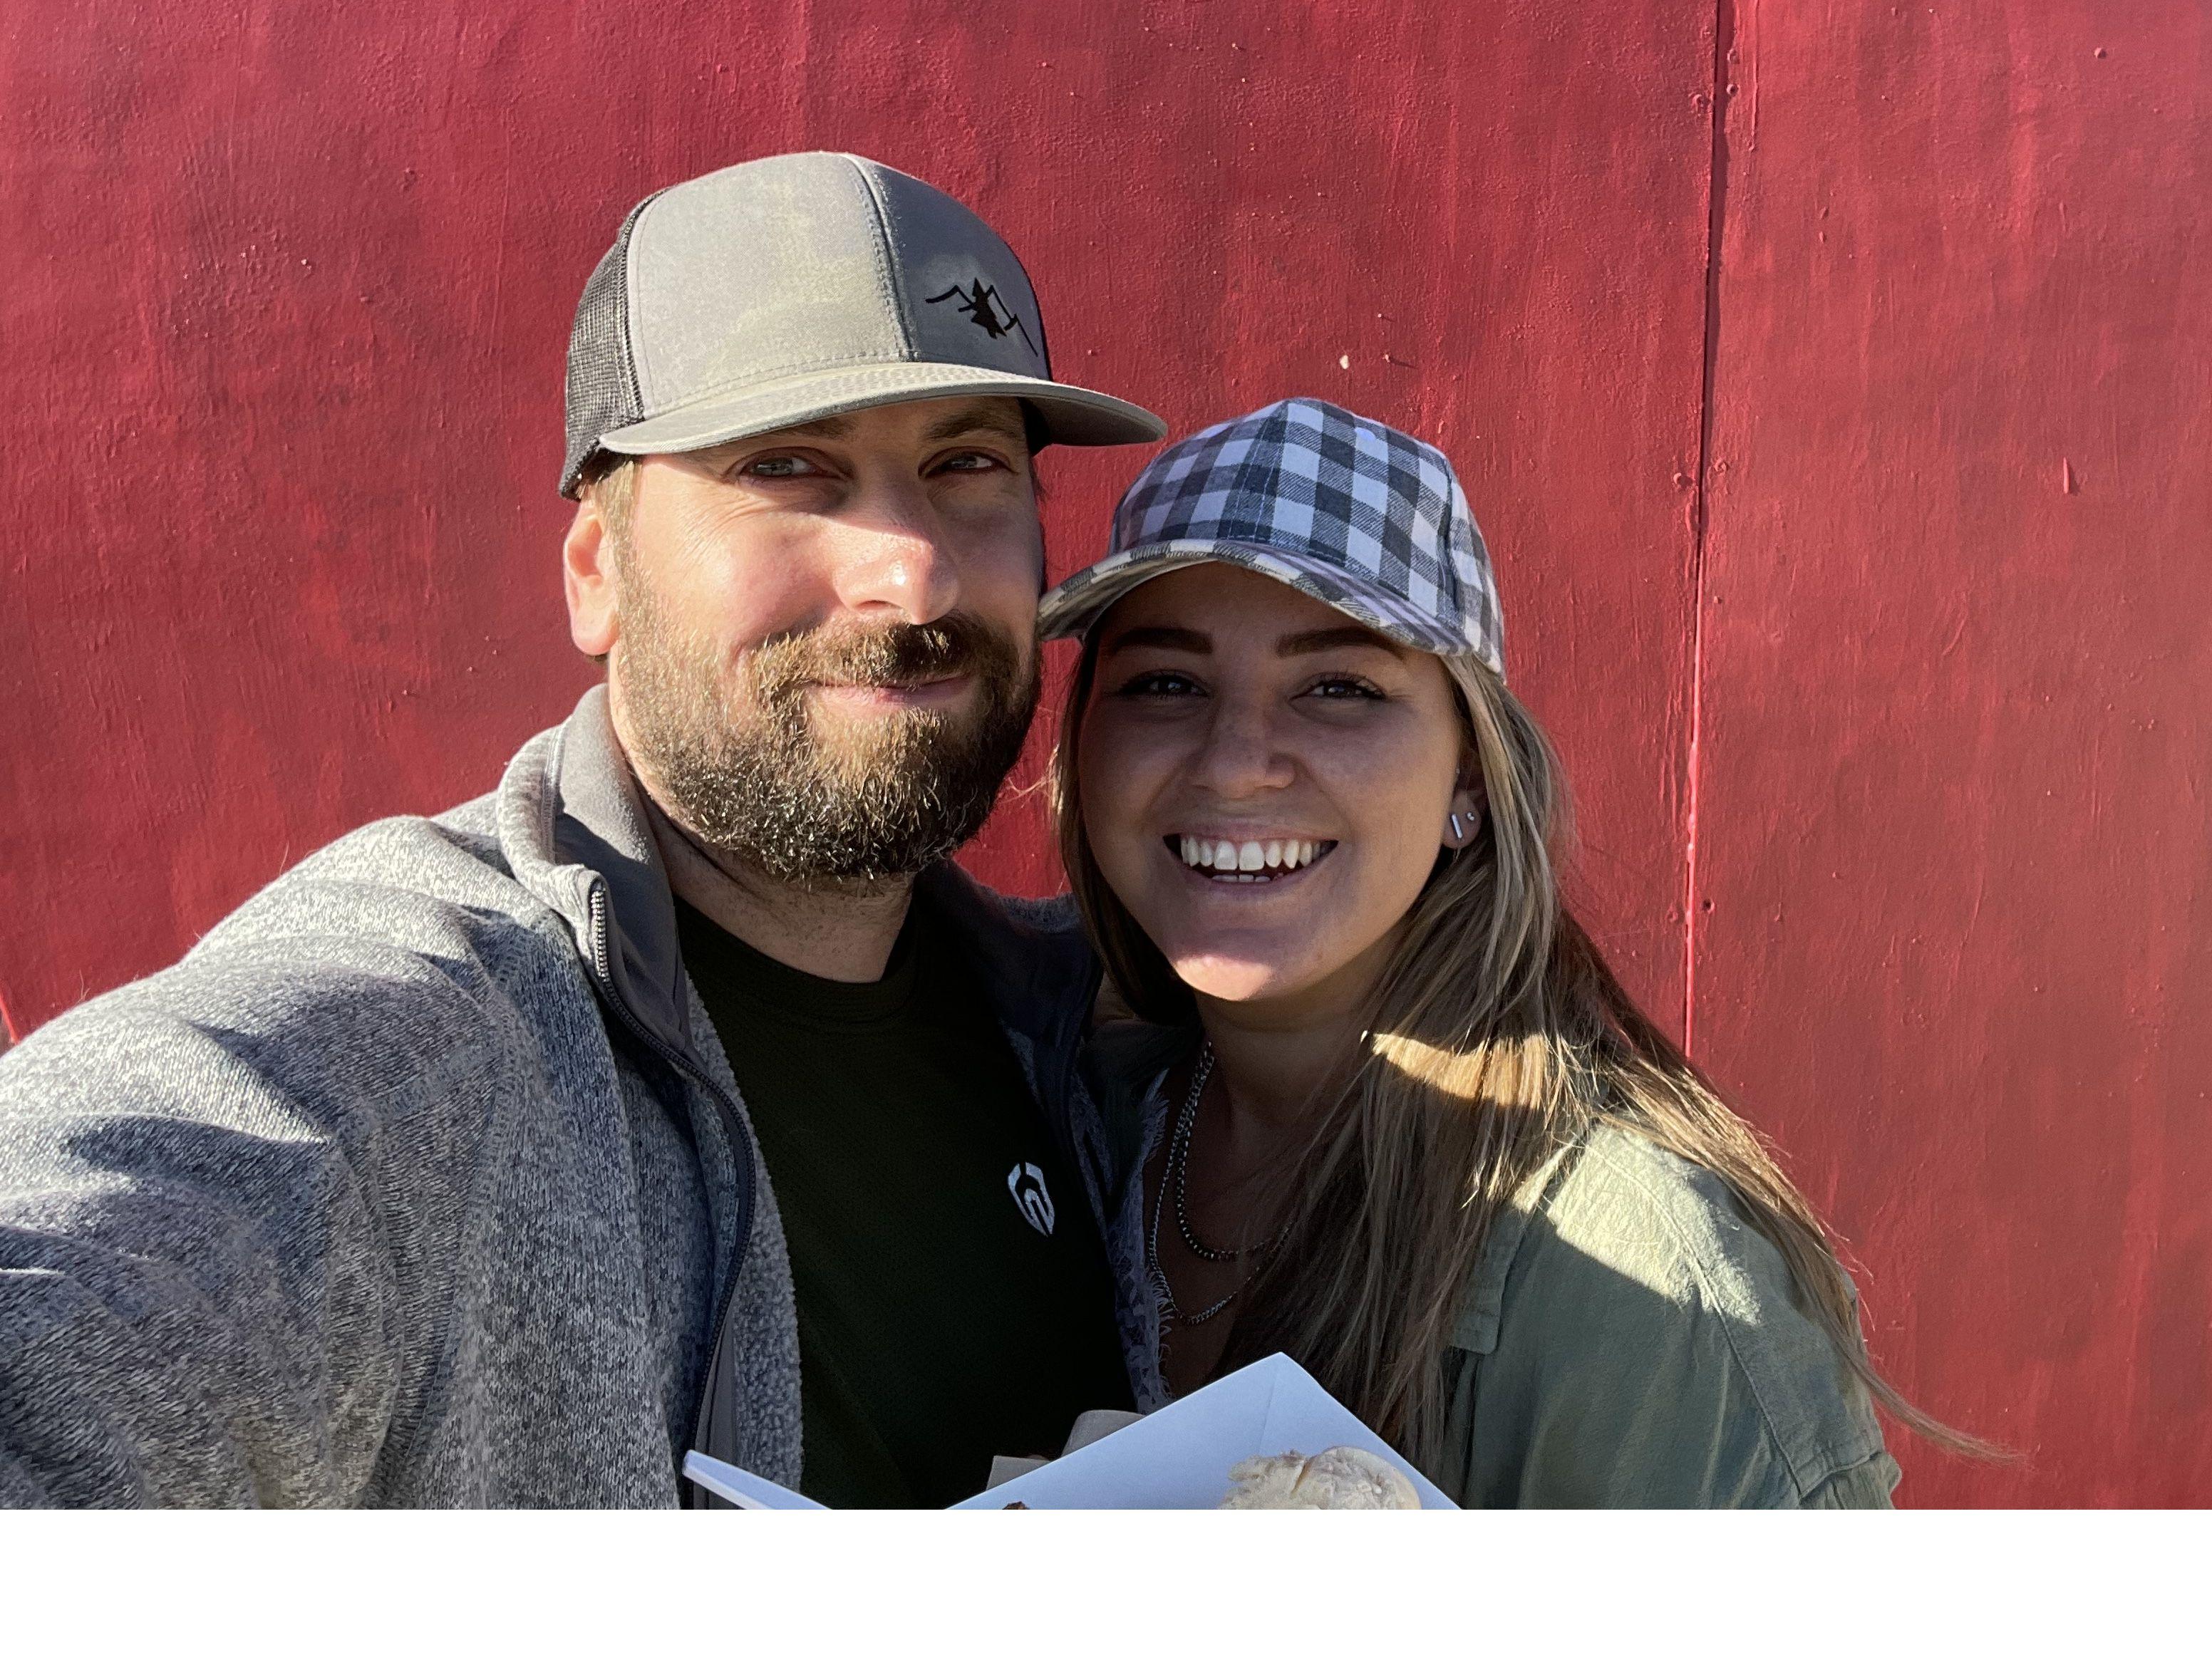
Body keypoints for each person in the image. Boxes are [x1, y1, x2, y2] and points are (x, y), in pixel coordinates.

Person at [0, 150, 1166, 1507]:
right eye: (788, 467)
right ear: (598, 574)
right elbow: (124, 1233)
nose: (911, 570)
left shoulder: (1087, 1027)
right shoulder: (442, 1045)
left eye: (966, 463)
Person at [1044, 397, 1974, 1507]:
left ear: (1472, 779)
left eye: (1339, 688)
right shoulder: (1076, 1100)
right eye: (1165, 683)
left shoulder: (1639, 1280)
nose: (1235, 762)